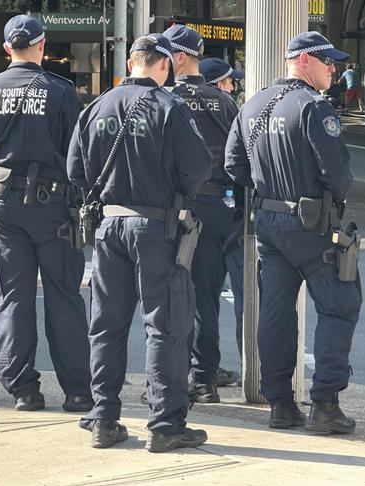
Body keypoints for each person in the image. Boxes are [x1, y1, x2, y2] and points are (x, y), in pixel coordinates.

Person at [67, 33, 212, 452]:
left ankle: (104, 419)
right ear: (164, 66)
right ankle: (165, 424)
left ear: (132, 61)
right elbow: (198, 168)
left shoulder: (96, 107)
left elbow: (76, 170)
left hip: (108, 227)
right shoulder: (170, 108)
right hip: (156, 227)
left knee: (106, 327)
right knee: (165, 328)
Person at [225, 31, 362, 434]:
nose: (333, 69)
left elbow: (234, 167)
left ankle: (281, 404)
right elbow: (338, 175)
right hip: (313, 225)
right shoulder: (314, 108)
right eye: (328, 62)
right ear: (304, 60)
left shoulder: (251, 105)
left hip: (268, 221)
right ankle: (325, 406)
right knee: (341, 304)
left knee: (276, 313)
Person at [0, 15, 92, 412]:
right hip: (53, 206)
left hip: (3, 206)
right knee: (64, 295)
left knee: (12, 296)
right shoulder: (60, 91)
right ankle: (76, 390)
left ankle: (23, 388)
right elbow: (77, 155)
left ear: (7, 49)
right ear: (42, 45)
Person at [164, 25, 241, 398]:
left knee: (172, 295)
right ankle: (204, 378)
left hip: (177, 205)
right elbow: (239, 154)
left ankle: (170, 378)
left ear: (178, 57)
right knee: (207, 296)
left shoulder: (166, 98)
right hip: (217, 206)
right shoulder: (223, 101)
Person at [200, 55, 246, 378]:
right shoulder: (228, 106)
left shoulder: (175, 102)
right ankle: (209, 372)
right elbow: (238, 161)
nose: (234, 87)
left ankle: (195, 371)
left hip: (182, 208)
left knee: (186, 296)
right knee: (218, 293)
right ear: (219, 84)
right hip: (223, 209)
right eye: (231, 81)